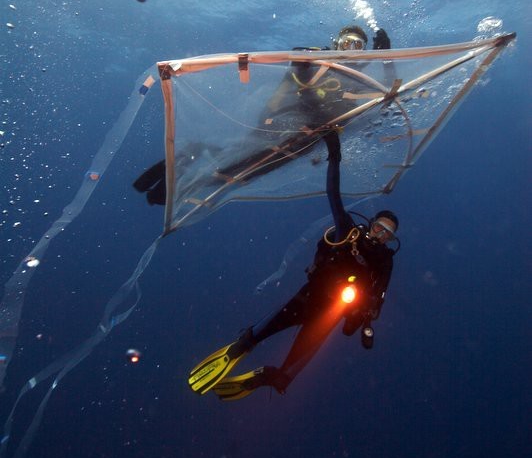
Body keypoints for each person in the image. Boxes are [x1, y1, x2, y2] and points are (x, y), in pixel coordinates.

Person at [188, 129, 399, 400]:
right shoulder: (348, 231)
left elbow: (378, 295)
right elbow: (333, 194)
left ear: (391, 239)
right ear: (372, 224)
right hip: (309, 296)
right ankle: (238, 348)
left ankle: (265, 376)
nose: (382, 235)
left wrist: (367, 317)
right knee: (257, 334)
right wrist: (334, 153)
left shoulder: (384, 262)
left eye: (388, 234)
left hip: (331, 314)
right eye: (381, 227)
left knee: (287, 376)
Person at [133, 25, 391, 206]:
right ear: (337, 43)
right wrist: (325, 59)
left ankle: (192, 165)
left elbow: (386, 98)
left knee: (245, 172)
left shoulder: (359, 82)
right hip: (283, 122)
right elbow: (298, 59)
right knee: (243, 160)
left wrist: (385, 60)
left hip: (308, 139)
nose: (353, 49)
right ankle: (186, 170)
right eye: (348, 43)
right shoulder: (319, 61)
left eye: (359, 45)